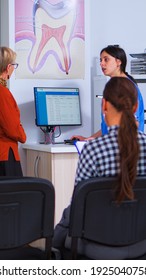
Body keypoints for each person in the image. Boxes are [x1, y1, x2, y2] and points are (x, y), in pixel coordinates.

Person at [53, 77, 146, 259]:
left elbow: (78, 206)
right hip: (141, 244)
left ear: (104, 105)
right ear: (135, 107)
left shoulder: (93, 150)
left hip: (97, 246)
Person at [71, 45, 144, 140]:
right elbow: (108, 127)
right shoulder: (113, 87)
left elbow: (132, 123)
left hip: (127, 146)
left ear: (118, 62)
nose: (102, 64)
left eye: (106, 60)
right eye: (101, 60)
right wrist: (89, 138)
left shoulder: (127, 88)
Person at [0, 46, 26, 176]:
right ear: (8, 67)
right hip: (5, 155)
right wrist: (22, 135)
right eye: (14, 65)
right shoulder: (3, 93)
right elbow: (12, 128)